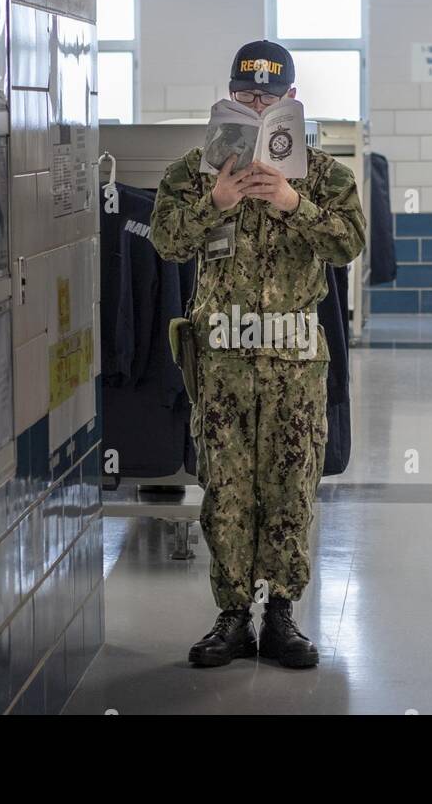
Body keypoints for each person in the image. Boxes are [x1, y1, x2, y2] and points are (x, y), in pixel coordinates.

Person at [151, 40, 366, 668]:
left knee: (290, 486)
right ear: (229, 97)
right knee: (225, 489)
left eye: (269, 97)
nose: (258, 102)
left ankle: (279, 616)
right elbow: (164, 239)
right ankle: (231, 615)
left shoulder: (324, 175)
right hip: (220, 363)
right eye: (246, 95)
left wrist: (292, 203)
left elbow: (349, 242)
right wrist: (214, 202)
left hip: (294, 364)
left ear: (291, 102)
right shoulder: (196, 170)